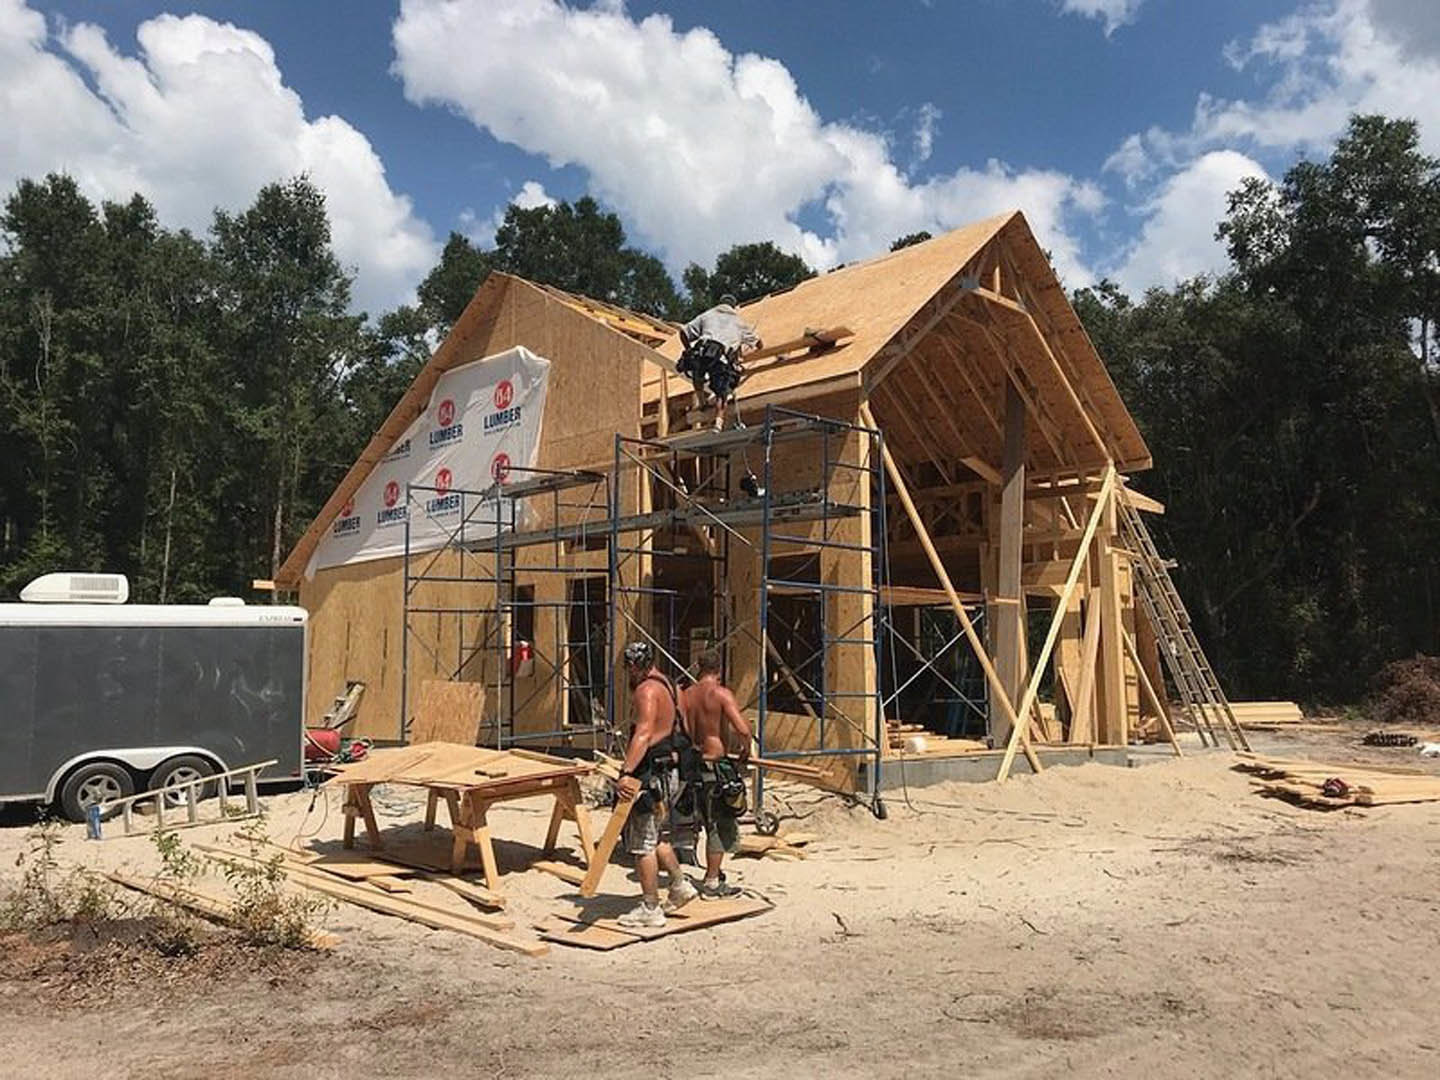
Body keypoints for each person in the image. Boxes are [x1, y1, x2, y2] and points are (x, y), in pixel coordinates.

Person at [614, 641, 698, 928]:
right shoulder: (673, 688)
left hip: (652, 774)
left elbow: (644, 733)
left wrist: (626, 772)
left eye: (629, 669)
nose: (628, 675)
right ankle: (679, 885)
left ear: (635, 666)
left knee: (642, 844)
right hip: (673, 770)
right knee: (658, 835)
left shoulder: (646, 690)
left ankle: (650, 907)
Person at [682, 647, 754, 898]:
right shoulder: (721, 694)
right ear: (719, 671)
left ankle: (714, 871)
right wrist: (747, 749)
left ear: (699, 668)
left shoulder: (686, 695)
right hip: (716, 763)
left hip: (694, 763)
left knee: (704, 820)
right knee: (719, 823)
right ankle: (712, 882)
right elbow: (742, 728)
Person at [678, 294, 762, 430]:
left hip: (703, 351)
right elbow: (759, 344)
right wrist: (746, 353)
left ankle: (702, 401)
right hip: (721, 358)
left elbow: (683, 332)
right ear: (734, 307)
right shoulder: (739, 322)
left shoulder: (707, 315)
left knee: (697, 372)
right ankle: (718, 423)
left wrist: (689, 350)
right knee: (722, 392)